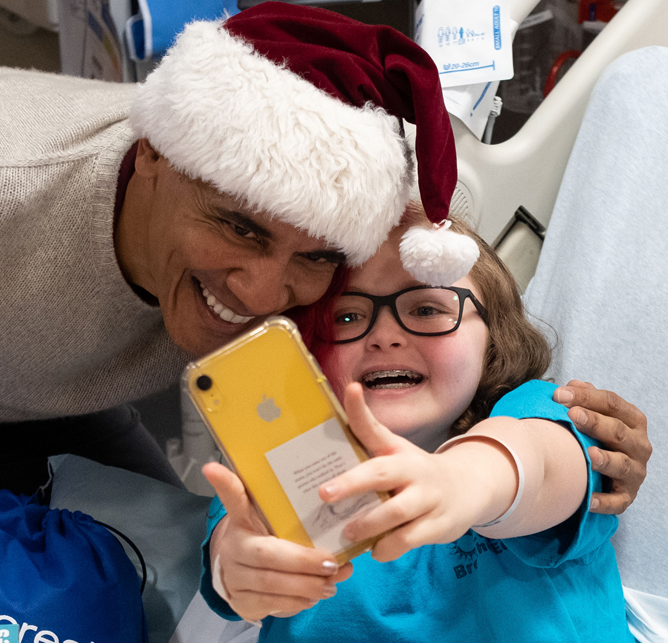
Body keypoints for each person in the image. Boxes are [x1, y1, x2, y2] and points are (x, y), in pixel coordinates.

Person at [0, 3, 649, 643]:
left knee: (139, 542)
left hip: (23, 385)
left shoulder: (375, 370)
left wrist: (523, 465)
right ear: (149, 162)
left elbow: (528, 451)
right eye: (235, 226)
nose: (269, 291)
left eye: (317, 267)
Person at [201, 208, 632, 641]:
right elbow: (234, 547)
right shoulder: (274, 464)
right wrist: (241, 571)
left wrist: (462, 479)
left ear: (494, 336)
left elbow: (539, 462)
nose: (384, 336)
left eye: (426, 309)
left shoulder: (534, 411)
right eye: (345, 317)